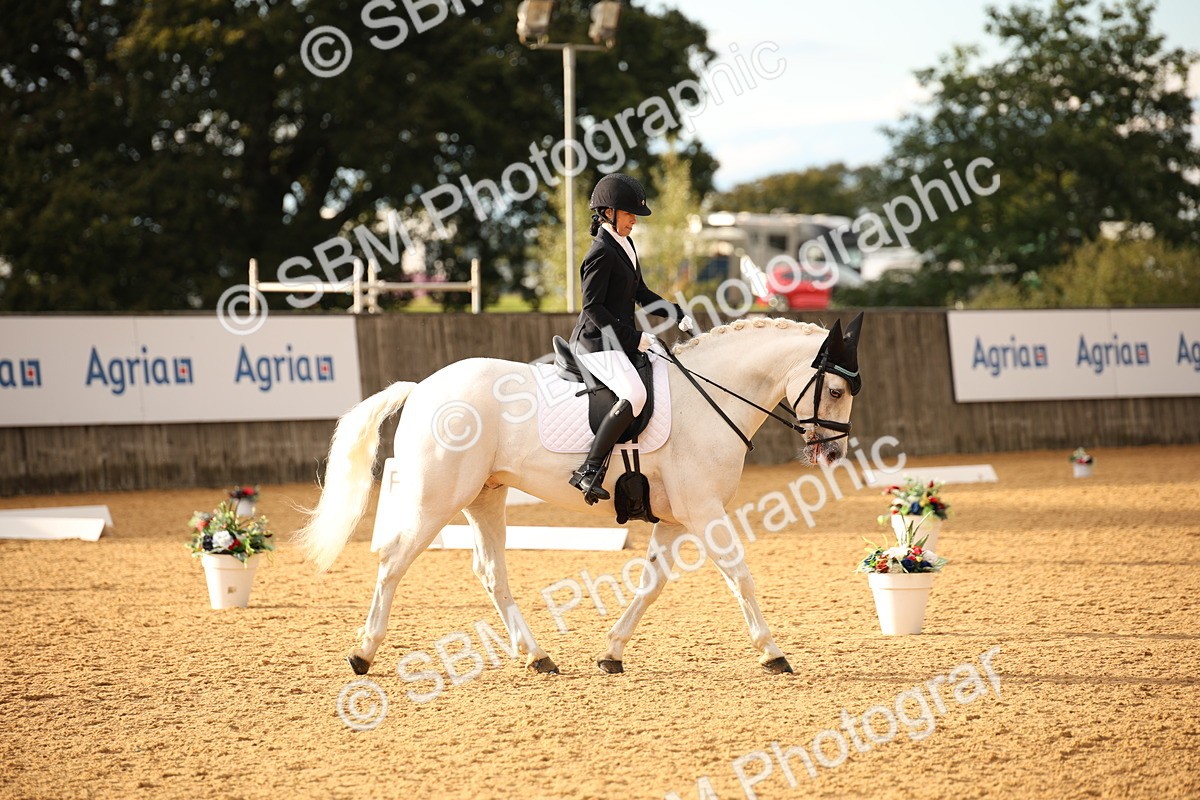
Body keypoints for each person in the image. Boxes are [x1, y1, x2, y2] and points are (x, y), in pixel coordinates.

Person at [566, 173, 694, 504]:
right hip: (595, 342)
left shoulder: (625, 244)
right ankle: (589, 469)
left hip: (616, 339)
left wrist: (675, 312)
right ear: (608, 212)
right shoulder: (600, 253)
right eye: (629, 214)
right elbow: (592, 307)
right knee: (635, 395)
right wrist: (633, 338)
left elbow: (640, 293)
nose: (634, 221)